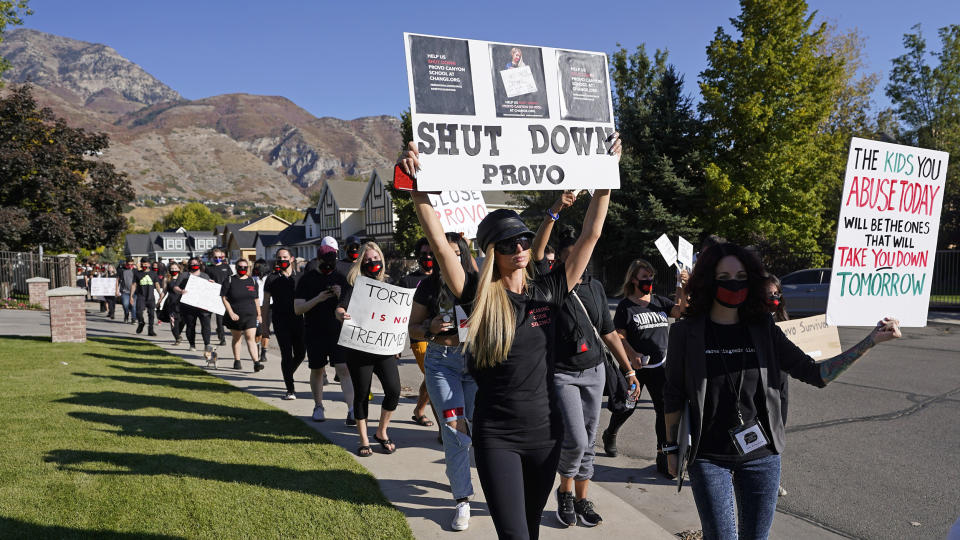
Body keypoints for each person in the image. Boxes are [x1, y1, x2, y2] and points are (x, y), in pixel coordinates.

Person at [401, 131, 621, 540]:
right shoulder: (477, 296)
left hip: (545, 434)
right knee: (515, 536)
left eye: (522, 239)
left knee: (531, 532)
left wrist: (604, 177)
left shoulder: (549, 290)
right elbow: (439, 243)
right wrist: (417, 190)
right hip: (496, 436)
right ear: (491, 252)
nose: (519, 247)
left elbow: (590, 235)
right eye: (507, 244)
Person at [663, 242, 901, 540]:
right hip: (709, 458)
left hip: (762, 456)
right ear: (708, 280)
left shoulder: (763, 329)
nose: (733, 284)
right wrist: (671, 449)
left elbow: (818, 375)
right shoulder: (686, 333)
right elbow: (673, 394)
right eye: (724, 277)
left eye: (741, 277)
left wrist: (871, 341)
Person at [530, 192, 641, 528]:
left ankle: (581, 499)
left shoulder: (593, 288)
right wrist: (553, 212)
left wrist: (628, 368)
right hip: (562, 375)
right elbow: (536, 253)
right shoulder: (550, 286)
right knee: (576, 439)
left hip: (594, 371)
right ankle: (564, 492)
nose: (582, 259)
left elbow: (608, 332)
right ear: (562, 262)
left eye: (584, 255)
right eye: (573, 255)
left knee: (589, 439)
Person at [407, 232, 480, 531]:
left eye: (455, 252)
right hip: (442, 365)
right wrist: (429, 326)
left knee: (479, 430)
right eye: (443, 253)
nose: (450, 258)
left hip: (476, 363)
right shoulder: (428, 286)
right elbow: (412, 329)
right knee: (454, 432)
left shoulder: (479, 284)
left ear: (464, 253)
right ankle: (462, 500)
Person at [601, 258, 688, 479]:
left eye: (650, 277)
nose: (648, 281)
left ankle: (663, 455)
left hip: (661, 366)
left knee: (663, 411)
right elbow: (619, 335)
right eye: (644, 278)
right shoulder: (625, 306)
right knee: (627, 406)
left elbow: (679, 312)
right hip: (635, 367)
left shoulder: (659, 301)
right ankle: (610, 433)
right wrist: (632, 355)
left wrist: (682, 285)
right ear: (633, 279)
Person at [335, 241, 402, 457]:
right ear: (361, 262)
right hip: (359, 348)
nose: (373, 262)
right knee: (362, 394)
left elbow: (397, 316)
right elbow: (341, 306)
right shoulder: (353, 283)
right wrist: (340, 314)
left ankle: (381, 432)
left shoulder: (390, 284)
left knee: (394, 390)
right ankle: (364, 439)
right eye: (368, 259)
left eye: (376, 258)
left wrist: (397, 342)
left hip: (384, 348)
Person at [294, 238, 355, 424]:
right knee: (317, 369)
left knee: (343, 369)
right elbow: (298, 309)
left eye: (332, 262)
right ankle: (318, 406)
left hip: (337, 331)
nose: (329, 266)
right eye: (325, 263)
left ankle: (352, 410)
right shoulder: (307, 279)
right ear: (318, 260)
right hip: (315, 330)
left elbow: (353, 307)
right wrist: (318, 299)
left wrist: (339, 295)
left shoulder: (342, 278)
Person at [398, 237, 440, 431]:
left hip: (443, 338)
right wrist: (396, 343)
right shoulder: (407, 281)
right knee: (434, 377)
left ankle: (419, 410)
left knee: (431, 377)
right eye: (424, 254)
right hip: (419, 337)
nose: (428, 257)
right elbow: (396, 312)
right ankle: (440, 425)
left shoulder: (443, 278)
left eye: (431, 253)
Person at [263, 248, 306, 400]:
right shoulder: (271, 278)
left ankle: (287, 373)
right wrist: (264, 326)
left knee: (301, 353)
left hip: (299, 320)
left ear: (292, 258)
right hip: (281, 321)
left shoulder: (301, 277)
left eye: (285, 257)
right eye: (279, 257)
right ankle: (290, 389)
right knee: (286, 354)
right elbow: (266, 304)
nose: (282, 260)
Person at [221, 259, 263, 373]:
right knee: (237, 338)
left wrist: (259, 314)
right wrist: (230, 312)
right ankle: (237, 360)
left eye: (245, 267)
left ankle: (256, 362)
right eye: (240, 267)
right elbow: (224, 298)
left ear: (248, 268)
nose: (242, 269)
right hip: (235, 315)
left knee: (251, 338)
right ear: (236, 268)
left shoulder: (252, 282)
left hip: (250, 314)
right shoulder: (229, 280)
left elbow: (256, 299)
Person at [176, 258, 216, 363]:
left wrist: (212, 284)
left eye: (196, 263)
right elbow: (175, 287)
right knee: (190, 325)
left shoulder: (205, 276)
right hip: (188, 305)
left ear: (199, 264)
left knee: (206, 325)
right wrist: (181, 291)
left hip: (203, 305)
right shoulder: (184, 275)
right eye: (192, 263)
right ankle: (192, 344)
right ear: (189, 265)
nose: (194, 265)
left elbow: (210, 289)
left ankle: (207, 344)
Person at [206, 248, 234, 346]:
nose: (218, 259)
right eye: (215, 257)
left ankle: (220, 331)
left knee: (221, 318)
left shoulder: (226, 266)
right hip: (213, 295)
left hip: (224, 295)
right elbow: (205, 280)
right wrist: (209, 281)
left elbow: (231, 279)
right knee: (213, 317)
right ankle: (222, 338)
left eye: (220, 257)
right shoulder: (208, 268)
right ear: (212, 257)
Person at [131, 260, 161, 336]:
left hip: (151, 297)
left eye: (145, 264)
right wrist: (131, 296)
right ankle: (141, 322)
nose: (143, 265)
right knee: (138, 312)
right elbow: (134, 285)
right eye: (142, 264)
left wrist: (160, 293)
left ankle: (151, 330)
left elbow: (157, 284)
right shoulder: (137, 273)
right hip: (141, 296)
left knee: (151, 314)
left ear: (148, 264)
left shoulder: (153, 273)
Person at [158, 262, 185, 345]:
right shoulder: (167, 278)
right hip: (171, 303)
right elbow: (164, 291)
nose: (174, 270)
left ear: (179, 269)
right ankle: (177, 338)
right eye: (172, 269)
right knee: (173, 321)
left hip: (182, 303)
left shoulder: (183, 278)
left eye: (175, 268)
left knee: (182, 321)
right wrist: (160, 300)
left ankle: (178, 334)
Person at [253, 258, 272, 363]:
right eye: (255, 267)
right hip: (255, 307)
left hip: (267, 306)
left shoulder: (270, 278)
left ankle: (264, 352)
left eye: (258, 267)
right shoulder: (252, 279)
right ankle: (256, 349)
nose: (256, 269)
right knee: (257, 331)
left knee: (265, 330)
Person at [118, 259, 136, 324]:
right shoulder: (122, 270)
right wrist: (117, 290)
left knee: (133, 306)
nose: (130, 266)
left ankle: (133, 318)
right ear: (126, 264)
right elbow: (118, 280)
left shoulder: (136, 271)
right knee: (125, 305)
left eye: (132, 264)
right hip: (125, 291)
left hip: (134, 292)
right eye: (129, 264)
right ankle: (126, 314)